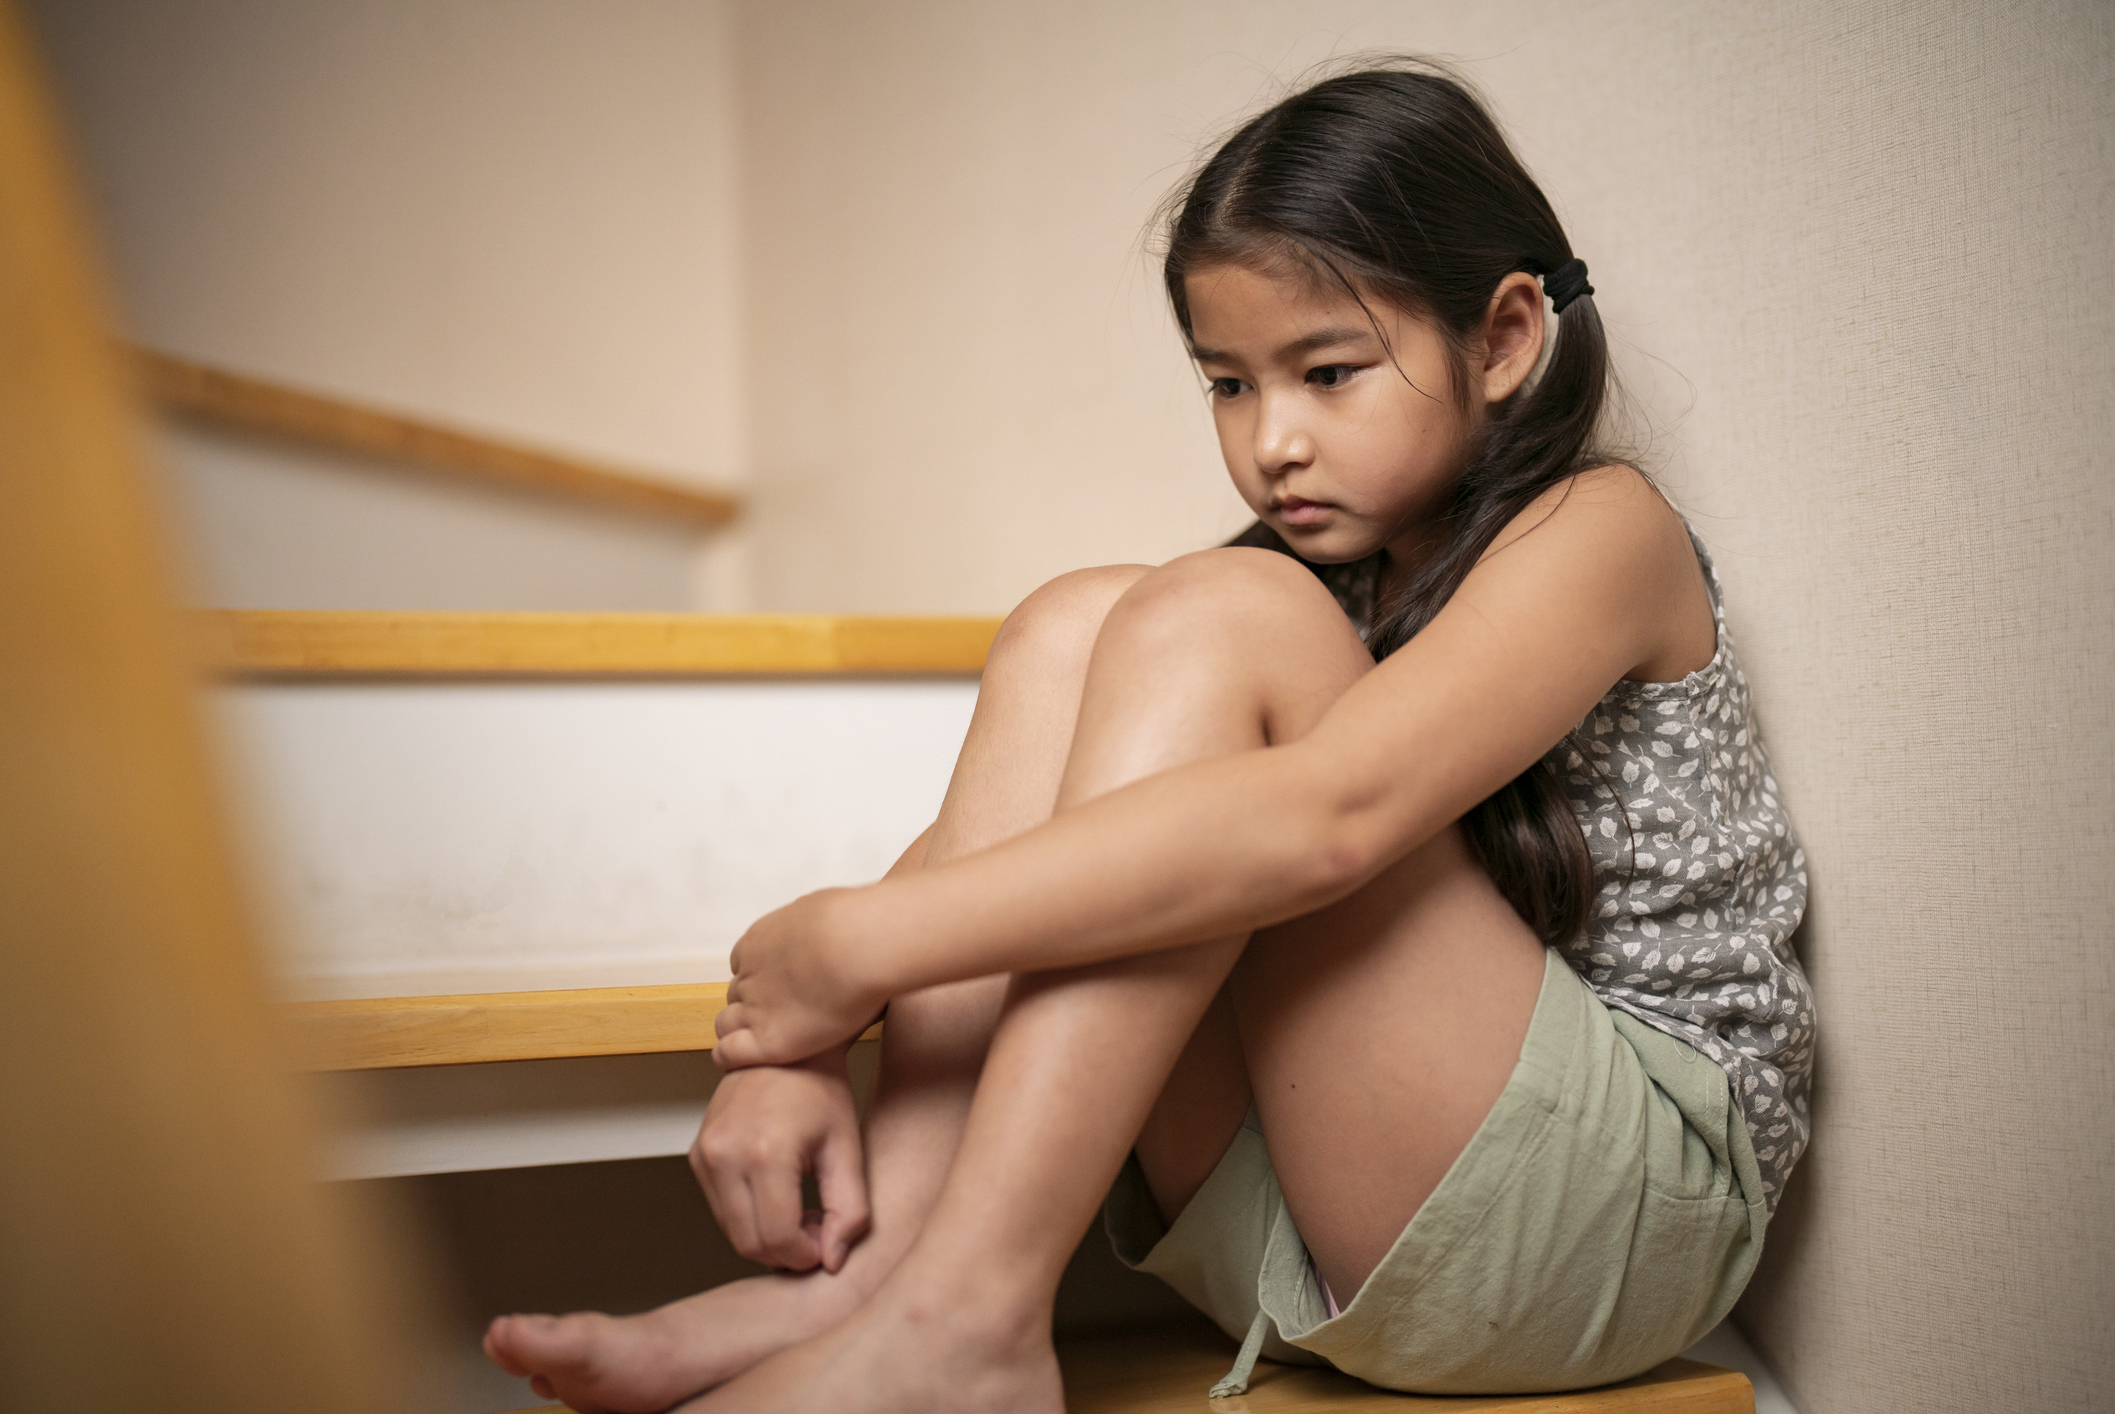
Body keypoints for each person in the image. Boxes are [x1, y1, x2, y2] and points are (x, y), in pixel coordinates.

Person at [483, 58, 1814, 1413]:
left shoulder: (1600, 532)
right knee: (1080, 622)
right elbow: (1038, 840)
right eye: (1227, 385)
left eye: (1328, 371)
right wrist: (792, 1035)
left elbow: (1328, 819)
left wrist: (864, 947)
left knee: (1214, 615)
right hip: (1326, 1215)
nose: (1271, 440)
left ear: (1504, 339)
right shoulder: (1321, 584)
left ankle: (963, 1319)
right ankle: (879, 1281)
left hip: (1601, 1231)